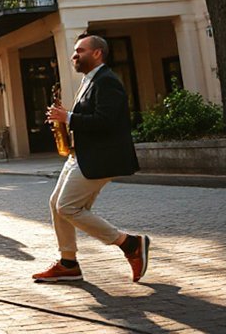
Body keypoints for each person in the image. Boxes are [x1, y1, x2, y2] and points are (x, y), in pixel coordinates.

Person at [34, 33, 149, 283]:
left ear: (97, 53)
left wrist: (68, 118)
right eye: (75, 51)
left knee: (68, 207)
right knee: (56, 204)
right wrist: (65, 119)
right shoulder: (89, 80)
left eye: (80, 51)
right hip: (80, 155)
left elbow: (106, 122)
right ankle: (68, 263)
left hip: (99, 157)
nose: (74, 55)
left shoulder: (107, 81)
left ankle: (129, 244)